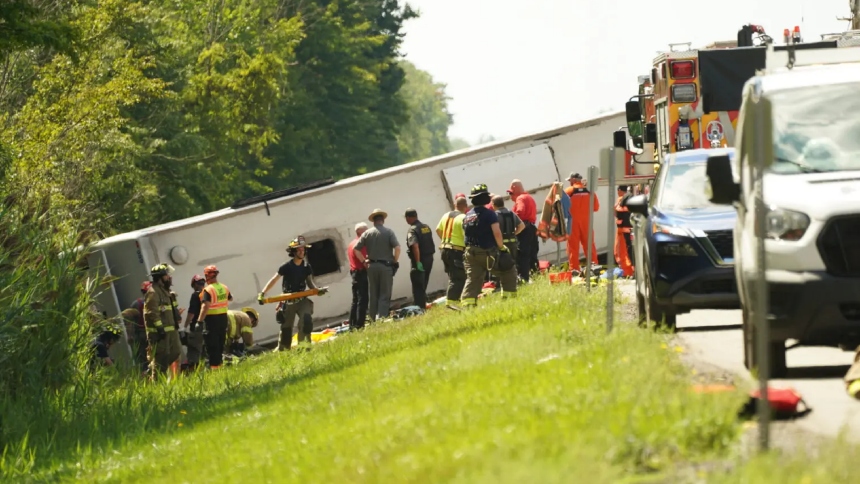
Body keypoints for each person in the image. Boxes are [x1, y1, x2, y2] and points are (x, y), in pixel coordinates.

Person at [259, 236, 326, 351]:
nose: (302, 252)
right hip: (288, 300)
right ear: (293, 252)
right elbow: (274, 280)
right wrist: (263, 293)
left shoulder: (306, 266)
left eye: (303, 249)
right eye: (299, 250)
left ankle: (304, 348)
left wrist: (317, 290)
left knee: (306, 322)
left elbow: (310, 283)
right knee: (286, 328)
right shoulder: (286, 266)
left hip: (302, 300)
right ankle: (284, 351)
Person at [460, 184, 517, 306]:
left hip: (470, 254)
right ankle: (509, 299)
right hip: (486, 252)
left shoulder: (467, 216)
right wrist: (501, 247)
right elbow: (497, 232)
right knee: (508, 270)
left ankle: (467, 305)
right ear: (485, 198)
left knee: (473, 278)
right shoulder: (490, 214)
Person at [353, 209, 401, 321]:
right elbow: (397, 248)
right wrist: (395, 260)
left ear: (373, 221)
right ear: (383, 220)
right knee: (385, 293)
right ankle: (382, 318)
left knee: (373, 293)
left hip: (372, 267)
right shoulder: (389, 232)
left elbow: (356, 249)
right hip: (385, 266)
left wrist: (364, 261)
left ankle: (372, 318)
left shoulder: (366, 233)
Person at [144, 263, 183, 377]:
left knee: (175, 353)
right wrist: (160, 328)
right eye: (166, 275)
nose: (169, 278)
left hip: (171, 331)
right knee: (161, 358)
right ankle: (155, 381)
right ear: (160, 277)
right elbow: (152, 312)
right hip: (160, 333)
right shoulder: (153, 292)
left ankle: (155, 369)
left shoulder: (165, 291)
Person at [195, 265, 232, 368]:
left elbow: (205, 306)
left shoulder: (208, 290)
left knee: (212, 346)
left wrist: (199, 321)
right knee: (220, 344)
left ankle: (215, 369)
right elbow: (230, 298)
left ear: (207, 276)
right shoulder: (224, 287)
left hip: (212, 321)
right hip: (223, 318)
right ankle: (220, 366)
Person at [436, 196, 468, 306]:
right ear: (466, 206)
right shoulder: (464, 217)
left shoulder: (446, 215)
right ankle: (452, 301)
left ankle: (453, 299)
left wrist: (445, 240)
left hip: (444, 249)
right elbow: (466, 236)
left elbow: (438, 229)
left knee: (452, 275)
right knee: (459, 276)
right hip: (456, 250)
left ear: (455, 205)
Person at [564, 172, 600, 270]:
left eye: (570, 180)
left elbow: (560, 207)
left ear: (574, 180)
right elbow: (596, 207)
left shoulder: (568, 191)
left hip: (572, 224)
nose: (569, 182)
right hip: (587, 223)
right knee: (589, 246)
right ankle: (594, 267)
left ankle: (574, 269)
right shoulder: (590, 191)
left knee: (573, 247)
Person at [405, 208, 436, 309]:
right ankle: (422, 305)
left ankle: (419, 308)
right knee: (423, 284)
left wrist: (418, 262)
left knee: (418, 286)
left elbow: (415, 246)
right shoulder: (426, 227)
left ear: (409, 218)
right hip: (429, 258)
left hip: (420, 260)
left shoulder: (413, 229)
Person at [508, 179, 538, 282]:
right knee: (533, 253)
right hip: (532, 228)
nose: (510, 196)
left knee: (523, 254)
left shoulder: (520, 198)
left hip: (524, 229)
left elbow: (520, 212)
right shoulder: (529, 197)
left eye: (511, 193)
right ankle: (536, 274)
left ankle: (524, 277)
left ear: (515, 189)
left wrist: (515, 224)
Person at [347, 222, 370, 330]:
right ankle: (359, 325)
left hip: (355, 272)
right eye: (365, 230)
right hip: (360, 272)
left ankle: (353, 325)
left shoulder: (351, 243)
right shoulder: (359, 244)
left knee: (356, 300)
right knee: (363, 299)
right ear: (359, 232)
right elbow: (364, 259)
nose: (367, 232)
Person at [182, 274, 206, 369]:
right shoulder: (208, 293)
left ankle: (193, 371)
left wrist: (185, 326)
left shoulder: (195, 295)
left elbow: (191, 313)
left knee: (193, 350)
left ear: (195, 285)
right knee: (205, 350)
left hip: (197, 327)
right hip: (208, 326)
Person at [129, 281, 152, 372]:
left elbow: (129, 321)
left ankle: (145, 376)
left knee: (142, 358)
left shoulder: (136, 303)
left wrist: (129, 335)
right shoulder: (154, 302)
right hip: (151, 333)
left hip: (139, 334)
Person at [614, 185, 635, 277]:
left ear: (619, 190)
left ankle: (627, 272)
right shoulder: (632, 199)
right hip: (632, 230)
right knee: (630, 250)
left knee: (622, 251)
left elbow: (617, 213)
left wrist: (619, 226)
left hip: (622, 230)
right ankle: (632, 271)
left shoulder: (621, 200)